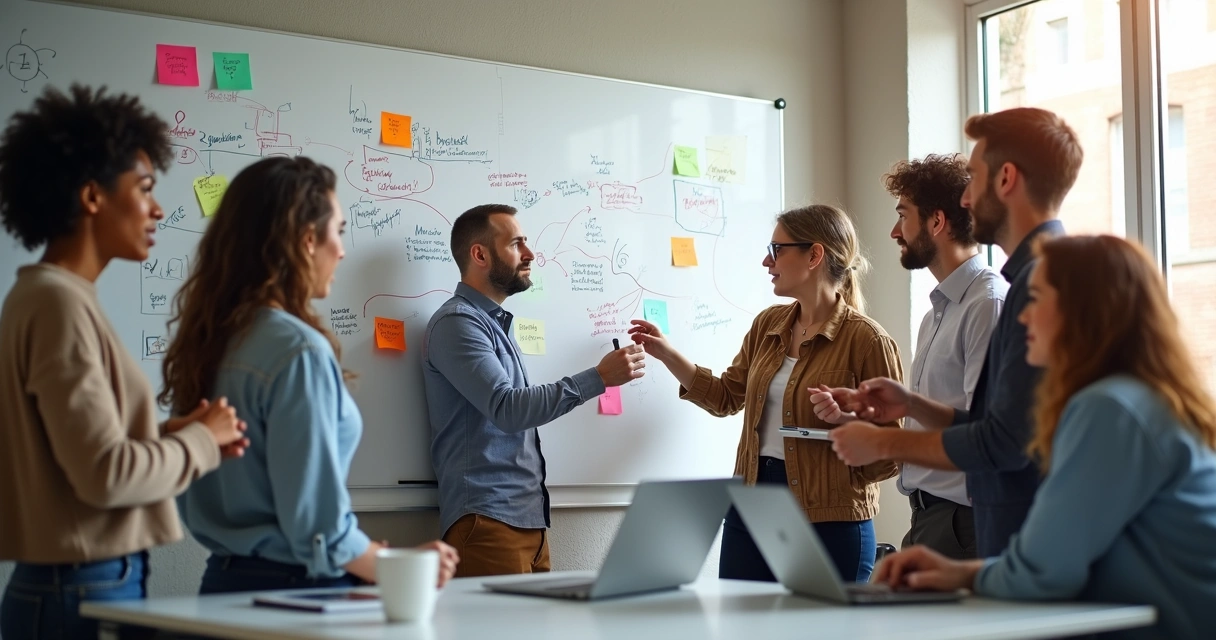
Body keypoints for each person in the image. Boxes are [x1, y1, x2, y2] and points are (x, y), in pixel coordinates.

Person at [873, 235, 1216, 640]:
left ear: (1082, 310)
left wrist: (959, 574)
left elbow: (1044, 569)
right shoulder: (1138, 398)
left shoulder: (1108, 409)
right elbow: (1047, 561)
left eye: (1035, 299)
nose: (1022, 317)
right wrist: (955, 572)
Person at [0, 85, 247, 639]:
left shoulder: (52, 296)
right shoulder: (58, 304)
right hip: (80, 590)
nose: (158, 209)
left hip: (79, 584)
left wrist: (167, 434)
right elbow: (105, 476)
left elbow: (71, 454)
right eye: (145, 189)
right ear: (92, 196)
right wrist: (202, 440)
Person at [160, 156, 457, 593]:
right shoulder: (298, 350)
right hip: (296, 593)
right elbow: (317, 528)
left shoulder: (211, 340)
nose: (343, 250)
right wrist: (398, 564)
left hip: (223, 583)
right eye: (338, 231)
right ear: (306, 241)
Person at [824, 107, 1082, 557]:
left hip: (986, 524)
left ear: (1006, 179)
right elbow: (997, 427)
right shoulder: (1024, 281)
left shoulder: (1031, 287)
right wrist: (909, 405)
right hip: (958, 520)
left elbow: (1005, 444)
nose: (966, 199)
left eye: (974, 178)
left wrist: (883, 441)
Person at [629, 204, 902, 583]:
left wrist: (848, 424)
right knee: (741, 616)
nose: (766, 261)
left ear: (814, 255)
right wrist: (667, 354)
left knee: (823, 619)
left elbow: (890, 455)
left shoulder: (868, 340)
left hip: (831, 518)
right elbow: (726, 396)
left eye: (777, 250)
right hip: (752, 504)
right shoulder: (768, 325)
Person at [423, 203, 645, 577]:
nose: (530, 253)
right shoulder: (457, 323)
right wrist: (599, 377)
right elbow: (508, 409)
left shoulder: (495, 324)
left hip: (527, 522)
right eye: (516, 243)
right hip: (487, 522)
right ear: (480, 255)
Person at [812, 154, 1005, 560]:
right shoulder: (937, 312)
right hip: (927, 518)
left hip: (963, 525)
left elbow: (985, 434)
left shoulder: (986, 305)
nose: (894, 231)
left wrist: (884, 441)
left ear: (937, 222)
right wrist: (886, 413)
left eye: (903, 216)